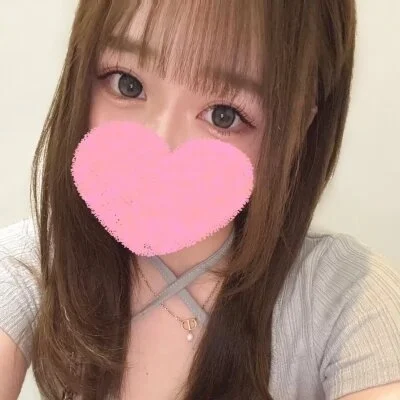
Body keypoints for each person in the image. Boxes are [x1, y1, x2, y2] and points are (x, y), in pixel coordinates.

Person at [0, 0, 399, 399]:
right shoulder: (32, 266)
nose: (159, 144)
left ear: (296, 128)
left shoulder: (347, 300)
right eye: (127, 84)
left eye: (224, 115)